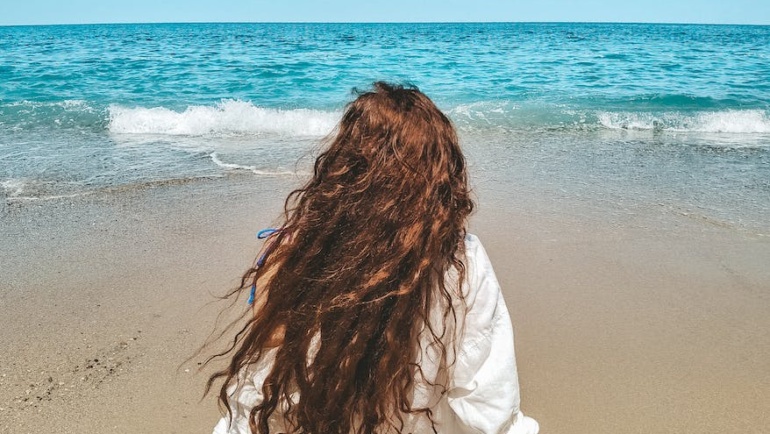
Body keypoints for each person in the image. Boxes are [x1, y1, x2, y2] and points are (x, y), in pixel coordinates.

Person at [207, 82, 539, 434]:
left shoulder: (302, 249)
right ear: (443, 172)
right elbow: (489, 404)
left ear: (341, 165)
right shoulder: (460, 260)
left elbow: (262, 373)